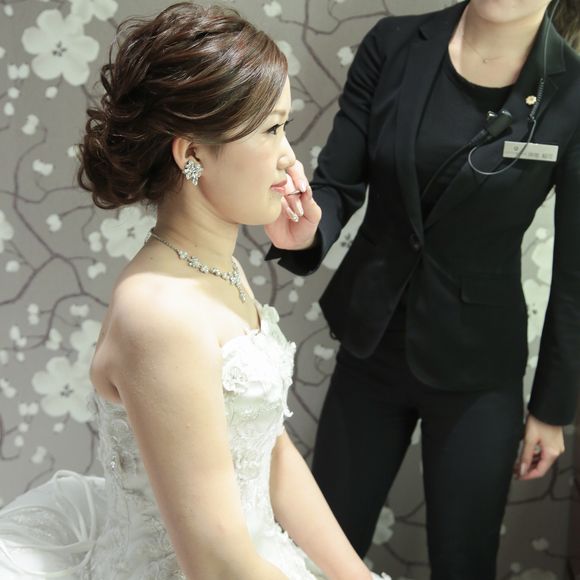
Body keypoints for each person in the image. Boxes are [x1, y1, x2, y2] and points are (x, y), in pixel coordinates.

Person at [0, 4, 390, 579]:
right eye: (272, 129)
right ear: (192, 156)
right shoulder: (161, 314)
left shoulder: (217, 269)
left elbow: (268, 451)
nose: (290, 157)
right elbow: (215, 563)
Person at [266, 0, 580, 578]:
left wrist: (552, 408)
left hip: (479, 370)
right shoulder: (394, 45)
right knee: (320, 550)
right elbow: (337, 185)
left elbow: (575, 270)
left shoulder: (574, 92)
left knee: (464, 563)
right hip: (371, 347)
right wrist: (306, 231)